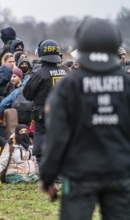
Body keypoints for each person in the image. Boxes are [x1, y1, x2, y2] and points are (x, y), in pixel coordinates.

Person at [40, 18, 130, 219]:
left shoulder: (68, 86)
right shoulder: (126, 85)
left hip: (79, 174)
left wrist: (47, 177)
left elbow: (56, 136)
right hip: (121, 173)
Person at [23, 39, 69, 164]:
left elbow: (27, 94)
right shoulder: (66, 71)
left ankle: (46, 174)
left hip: (44, 117)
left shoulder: (39, 74)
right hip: (63, 115)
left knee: (42, 148)